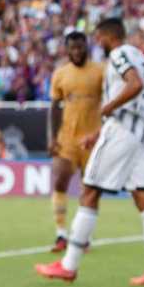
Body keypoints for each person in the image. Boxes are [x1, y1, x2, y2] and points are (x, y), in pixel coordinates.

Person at [35, 18, 144, 286]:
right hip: (140, 135)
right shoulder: (138, 54)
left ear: (109, 36)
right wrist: (97, 133)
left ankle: (69, 264)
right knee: (142, 196)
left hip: (122, 133)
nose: (97, 42)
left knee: (90, 190)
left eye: (99, 37)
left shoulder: (119, 54)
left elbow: (135, 84)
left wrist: (107, 108)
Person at [47, 32, 105, 252]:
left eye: (81, 47)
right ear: (67, 50)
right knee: (60, 179)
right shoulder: (61, 74)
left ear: (87, 47)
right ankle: (61, 234)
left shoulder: (100, 72)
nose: (77, 52)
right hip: (67, 139)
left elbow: (109, 101)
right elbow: (54, 107)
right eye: (73, 48)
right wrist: (52, 138)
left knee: (89, 189)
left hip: (93, 140)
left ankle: (83, 236)